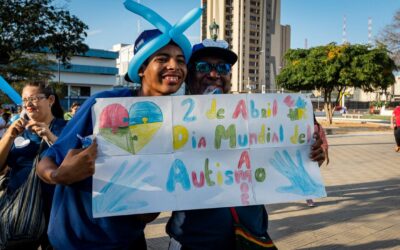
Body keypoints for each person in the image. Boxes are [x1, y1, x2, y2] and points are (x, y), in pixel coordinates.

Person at [36, 28, 189, 249]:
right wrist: (60, 174)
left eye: (180, 60)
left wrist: (151, 204)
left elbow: (147, 214)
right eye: (162, 59)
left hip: (127, 241)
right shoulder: (102, 104)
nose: (174, 66)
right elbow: (47, 161)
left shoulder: (179, 122)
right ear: (142, 69)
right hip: (73, 240)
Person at [166, 39, 326, 249]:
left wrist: (311, 156)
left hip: (251, 236)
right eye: (203, 67)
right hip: (193, 241)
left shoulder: (258, 117)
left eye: (222, 68)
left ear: (230, 76)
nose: (214, 74)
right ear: (188, 75)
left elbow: (292, 161)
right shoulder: (169, 120)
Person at [0, 82, 66, 249]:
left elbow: (75, 161)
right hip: (20, 210)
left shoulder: (66, 128)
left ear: (50, 100)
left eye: (34, 98)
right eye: (25, 100)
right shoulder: (18, 130)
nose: (28, 104)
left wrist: (50, 137)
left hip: (56, 211)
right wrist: (8, 136)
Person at [306, 114, 329, 207]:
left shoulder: (317, 127)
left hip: (313, 157)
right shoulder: (317, 127)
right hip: (308, 157)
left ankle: (309, 197)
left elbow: (324, 142)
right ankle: (309, 197)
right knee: (310, 176)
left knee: (309, 176)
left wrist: (326, 156)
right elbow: (325, 143)